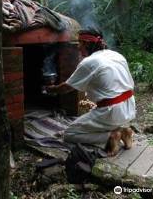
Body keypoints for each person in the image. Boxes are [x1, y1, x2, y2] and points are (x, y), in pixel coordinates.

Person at [46, 28, 135, 156]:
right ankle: (124, 131)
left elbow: (67, 87)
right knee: (101, 120)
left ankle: (110, 137)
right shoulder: (116, 55)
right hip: (129, 106)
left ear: (87, 43)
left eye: (79, 43)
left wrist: (51, 89)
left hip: (111, 111)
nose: (78, 47)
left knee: (69, 134)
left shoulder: (89, 62)